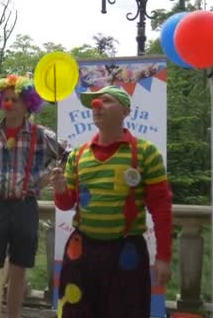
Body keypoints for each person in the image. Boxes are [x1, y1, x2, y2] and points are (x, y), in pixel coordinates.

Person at [50, 86, 173, 318]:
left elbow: (161, 208)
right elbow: (66, 204)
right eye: (94, 102)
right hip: (82, 251)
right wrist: (59, 189)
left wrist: (164, 257)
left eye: (106, 101)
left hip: (126, 253)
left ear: (125, 110)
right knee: (76, 312)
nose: (97, 106)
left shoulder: (146, 153)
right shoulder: (78, 155)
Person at [0, 75, 63, 318]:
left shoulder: (42, 135)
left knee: (18, 272)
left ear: (27, 103)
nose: (9, 104)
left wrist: (51, 175)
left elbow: (70, 155)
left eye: (15, 100)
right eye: (6, 99)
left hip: (25, 207)